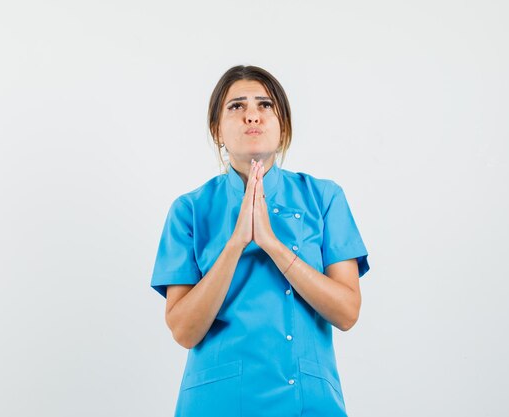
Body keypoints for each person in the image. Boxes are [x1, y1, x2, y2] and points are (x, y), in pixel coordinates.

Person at [150, 65, 370, 417]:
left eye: (265, 105)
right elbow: (184, 330)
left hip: (308, 402)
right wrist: (236, 242)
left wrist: (271, 243)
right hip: (216, 403)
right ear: (216, 130)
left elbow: (346, 312)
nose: (252, 115)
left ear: (282, 126)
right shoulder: (189, 210)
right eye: (236, 106)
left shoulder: (324, 198)